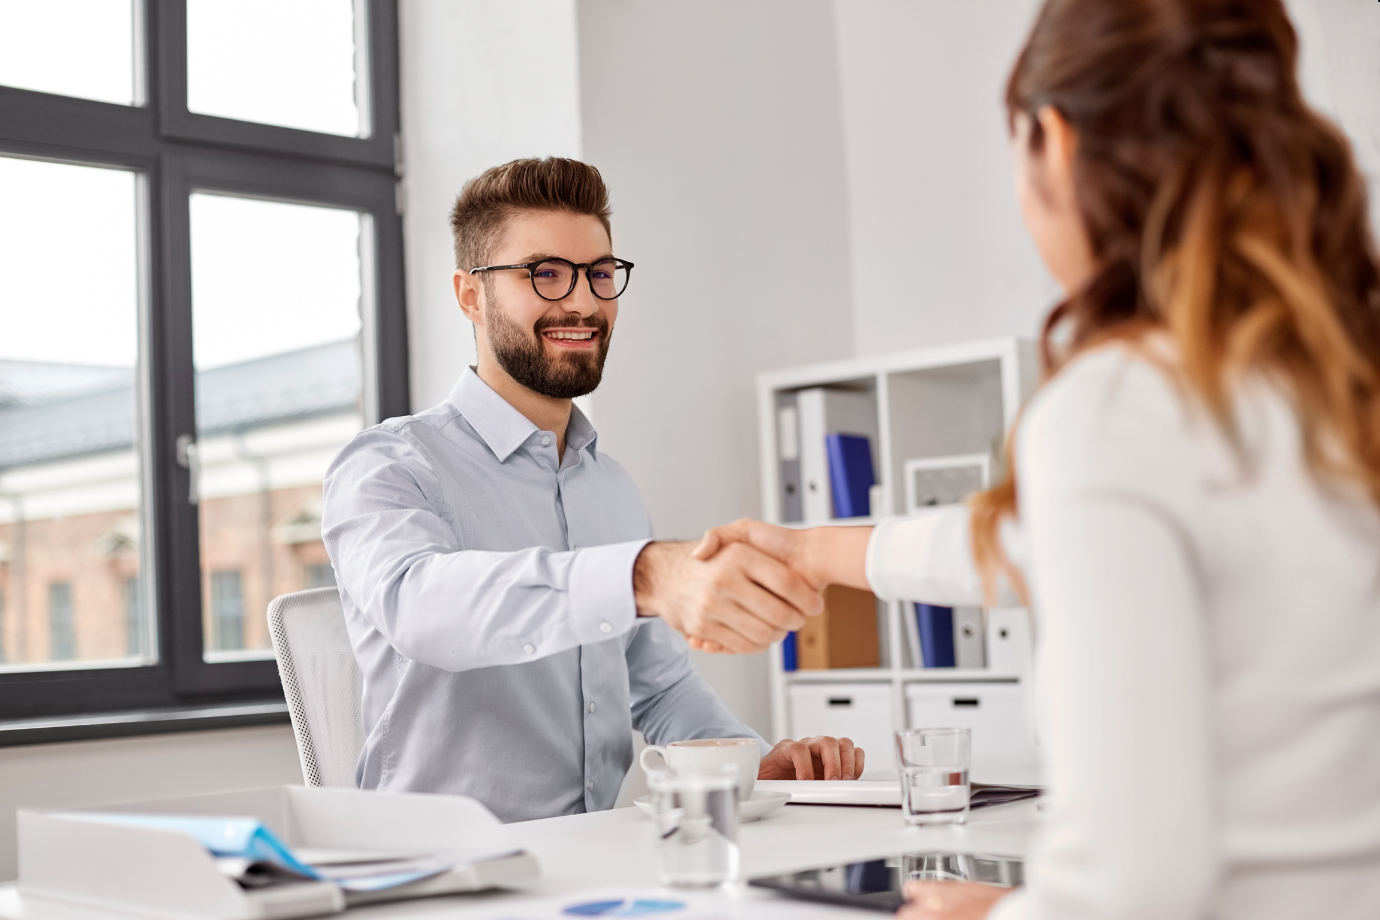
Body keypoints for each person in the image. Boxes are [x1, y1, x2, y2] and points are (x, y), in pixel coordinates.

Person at [695, 0, 1380, 917]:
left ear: (1054, 143)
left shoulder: (1118, 408)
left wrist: (986, 915)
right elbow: (1027, 542)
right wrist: (814, 553)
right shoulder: (1328, 380)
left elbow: (1131, 884)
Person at [322, 158, 863, 823]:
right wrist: (640, 576)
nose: (580, 301)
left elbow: (658, 685)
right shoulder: (390, 465)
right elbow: (419, 607)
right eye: (544, 273)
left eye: (599, 274)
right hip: (443, 876)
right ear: (470, 295)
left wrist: (754, 764)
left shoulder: (607, 485)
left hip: (597, 862)